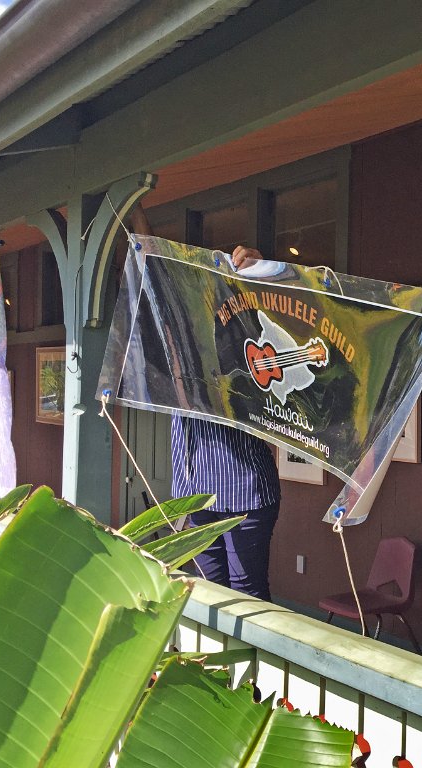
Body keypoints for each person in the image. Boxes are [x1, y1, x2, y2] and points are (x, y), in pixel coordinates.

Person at [130, 206, 282, 601]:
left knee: (246, 597)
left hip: (244, 490)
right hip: (195, 492)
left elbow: (274, 307)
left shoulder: (241, 342)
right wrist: (135, 210)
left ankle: (248, 665)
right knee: (209, 594)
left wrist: (260, 270)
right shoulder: (176, 344)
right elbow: (153, 271)